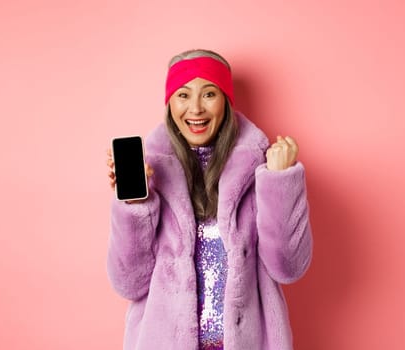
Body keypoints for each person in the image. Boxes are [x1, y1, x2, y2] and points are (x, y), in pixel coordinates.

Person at [104, 49, 313, 349]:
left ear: (226, 102)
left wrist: (281, 182)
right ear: (170, 104)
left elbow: (289, 268)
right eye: (183, 95)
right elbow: (128, 282)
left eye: (209, 94)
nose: (196, 109)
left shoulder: (259, 170)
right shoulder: (151, 175)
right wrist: (136, 207)